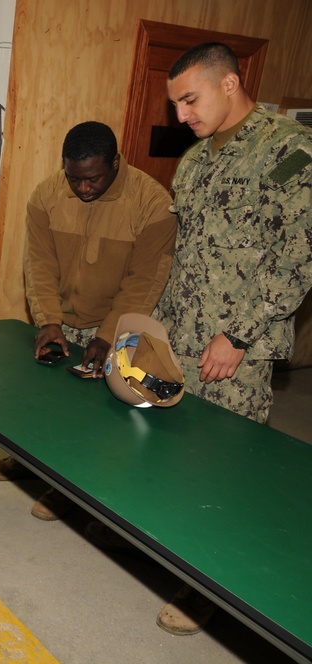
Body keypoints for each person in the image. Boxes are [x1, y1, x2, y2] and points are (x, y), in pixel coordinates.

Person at [150, 41, 312, 636]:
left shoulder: (289, 151)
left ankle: (204, 590)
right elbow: (183, 249)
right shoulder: (195, 160)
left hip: (232, 353)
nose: (182, 114)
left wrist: (239, 336)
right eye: (175, 105)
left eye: (190, 100)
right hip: (179, 335)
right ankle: (169, 550)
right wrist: (153, 325)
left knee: (220, 468)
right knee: (171, 456)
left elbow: (299, 253)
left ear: (230, 83)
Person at [0, 121, 176, 520]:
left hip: (115, 322)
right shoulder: (46, 195)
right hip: (62, 318)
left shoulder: (153, 204)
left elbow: (144, 281)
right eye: (75, 179)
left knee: (98, 418)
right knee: (43, 404)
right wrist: (48, 321)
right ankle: (30, 462)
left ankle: (69, 490)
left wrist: (109, 334)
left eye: (93, 179)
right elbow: (38, 263)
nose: (83, 189)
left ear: (115, 163)